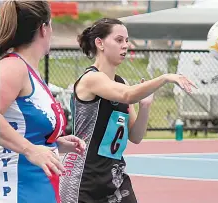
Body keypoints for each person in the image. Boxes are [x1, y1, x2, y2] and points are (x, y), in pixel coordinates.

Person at [59, 18, 196, 203]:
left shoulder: (122, 83)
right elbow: (128, 96)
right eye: (119, 40)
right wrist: (165, 78)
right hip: (85, 178)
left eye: (126, 40)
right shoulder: (92, 79)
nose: (125, 45)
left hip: (113, 177)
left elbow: (136, 136)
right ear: (100, 43)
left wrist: (145, 107)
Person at [0, 1, 85, 203]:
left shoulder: (31, 73)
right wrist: (30, 149)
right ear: (43, 28)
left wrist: (55, 143)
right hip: (17, 190)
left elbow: (22, 128)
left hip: (41, 187)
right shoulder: (13, 67)